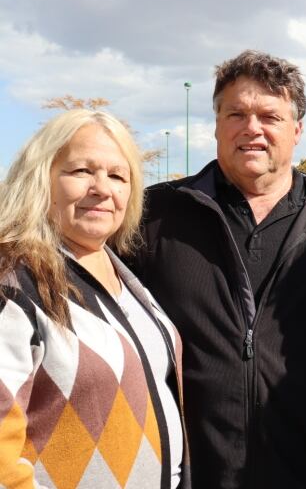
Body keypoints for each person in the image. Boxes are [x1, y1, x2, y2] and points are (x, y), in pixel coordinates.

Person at [130, 50, 306, 488]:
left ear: (297, 130)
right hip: (185, 476)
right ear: (216, 126)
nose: (251, 127)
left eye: (269, 116)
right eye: (236, 113)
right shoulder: (155, 217)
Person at [0, 109, 188, 488]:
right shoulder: (13, 282)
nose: (103, 188)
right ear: (41, 179)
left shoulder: (128, 280)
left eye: (118, 176)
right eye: (82, 171)